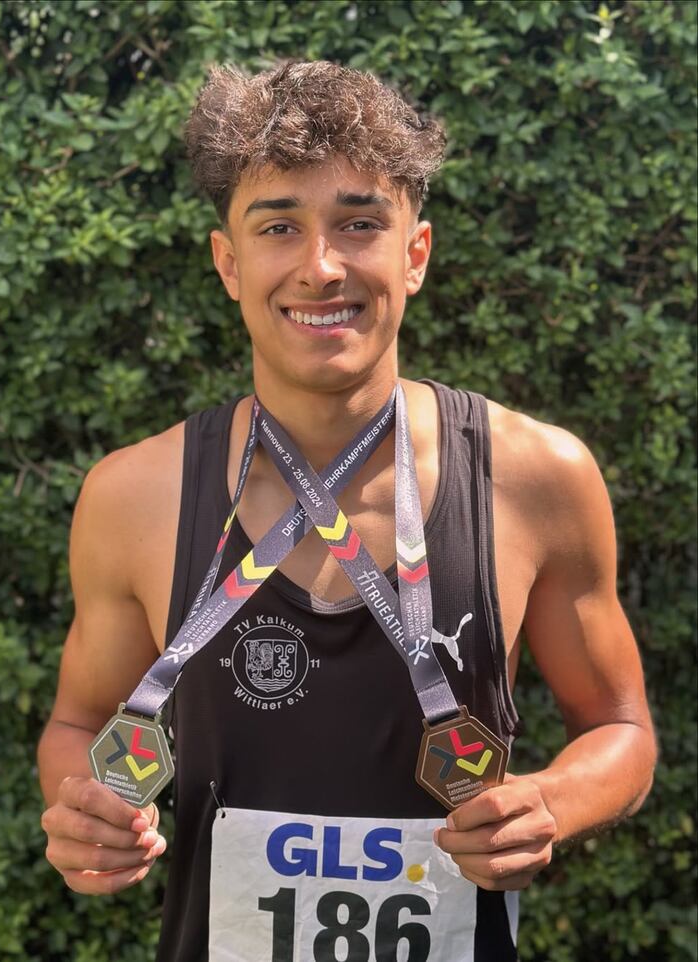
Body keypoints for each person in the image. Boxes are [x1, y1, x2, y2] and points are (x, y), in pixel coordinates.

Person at [38, 61, 656, 961]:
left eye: (360, 224)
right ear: (229, 263)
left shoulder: (537, 478)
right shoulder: (134, 495)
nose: (321, 267)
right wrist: (83, 813)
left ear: (416, 254)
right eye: (278, 226)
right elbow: (76, 724)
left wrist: (551, 803)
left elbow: (621, 728)